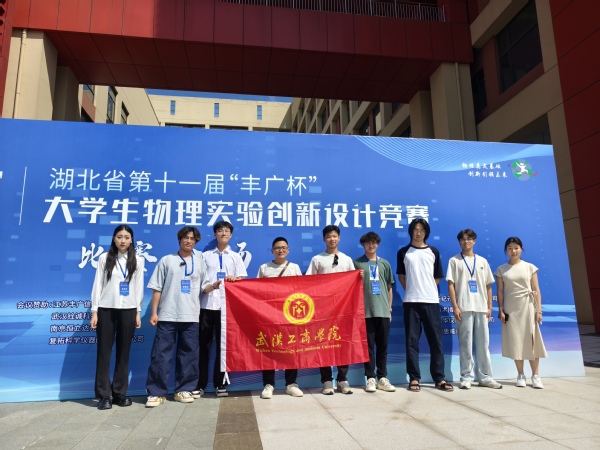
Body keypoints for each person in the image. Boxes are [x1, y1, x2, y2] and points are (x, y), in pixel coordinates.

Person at [145, 226, 219, 407]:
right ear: (179, 239)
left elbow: (204, 287)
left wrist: (214, 285)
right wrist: (154, 312)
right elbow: (157, 288)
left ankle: (183, 389)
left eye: (192, 239)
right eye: (186, 237)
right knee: (161, 355)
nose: (189, 241)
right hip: (168, 315)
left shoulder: (200, 262)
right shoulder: (167, 260)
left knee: (188, 355)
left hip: (191, 316)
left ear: (196, 241)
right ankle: (156, 392)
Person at [91, 225, 144, 410]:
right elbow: (98, 284)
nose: (123, 240)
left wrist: (138, 312)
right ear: (114, 239)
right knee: (104, 353)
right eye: (119, 236)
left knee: (124, 352)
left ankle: (119, 393)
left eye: (127, 237)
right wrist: (95, 311)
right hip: (106, 309)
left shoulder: (138, 260)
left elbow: (138, 287)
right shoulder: (105, 258)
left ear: (131, 240)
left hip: (128, 309)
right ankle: (104, 395)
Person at [397, 218, 452, 392]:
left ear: (426, 232)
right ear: (411, 232)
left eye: (422, 230)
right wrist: (412, 289)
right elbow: (401, 276)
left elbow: (438, 276)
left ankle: (439, 378)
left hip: (431, 302)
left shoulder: (433, 251)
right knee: (412, 342)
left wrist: (427, 289)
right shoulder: (404, 252)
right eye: (415, 230)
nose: (418, 233)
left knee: (436, 341)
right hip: (411, 303)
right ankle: (414, 378)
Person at [194, 221, 247, 398]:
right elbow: (199, 280)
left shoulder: (235, 257)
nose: (223, 233)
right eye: (220, 230)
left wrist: (234, 279)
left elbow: (242, 280)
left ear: (231, 235)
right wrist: (211, 286)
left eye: (226, 231)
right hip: (206, 305)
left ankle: (220, 383)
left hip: (227, 308)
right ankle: (200, 384)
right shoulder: (205, 256)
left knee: (223, 347)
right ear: (215, 234)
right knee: (203, 346)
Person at [446, 229, 502, 390]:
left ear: (474, 241)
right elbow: (451, 285)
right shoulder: (454, 261)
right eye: (463, 239)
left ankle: (485, 377)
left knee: (483, 344)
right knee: (466, 344)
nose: (466, 242)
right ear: (459, 242)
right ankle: (466, 377)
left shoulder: (482, 261)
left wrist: (490, 306)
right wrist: (455, 306)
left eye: (469, 239)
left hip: (481, 308)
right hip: (464, 307)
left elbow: (488, 286)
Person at [306, 224, 356, 395]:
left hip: (343, 309)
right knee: (323, 343)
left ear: (339, 238)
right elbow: (309, 283)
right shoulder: (317, 259)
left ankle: (342, 379)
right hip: (323, 310)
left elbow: (354, 283)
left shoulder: (347, 259)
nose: (332, 239)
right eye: (328, 236)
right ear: (324, 239)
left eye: (334, 236)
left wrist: (359, 276)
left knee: (343, 343)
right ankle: (327, 381)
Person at [494, 237, 547, 389]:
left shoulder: (530, 267)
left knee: (532, 340)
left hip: (528, 306)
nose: (513, 251)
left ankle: (536, 376)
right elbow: (500, 291)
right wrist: (501, 310)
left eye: (516, 248)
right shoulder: (501, 270)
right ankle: (520, 375)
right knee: (516, 341)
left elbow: (536, 290)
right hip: (511, 308)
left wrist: (539, 310)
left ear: (521, 249)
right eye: (510, 248)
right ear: (506, 250)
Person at [257, 237, 304, 399]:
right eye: (277, 248)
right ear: (272, 251)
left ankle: (291, 384)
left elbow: (301, 290)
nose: (281, 250)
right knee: (269, 349)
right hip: (269, 315)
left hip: (290, 316)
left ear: (288, 250)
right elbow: (257, 291)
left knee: (291, 349)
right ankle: (268, 384)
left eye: (284, 247)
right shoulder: (264, 268)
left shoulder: (295, 267)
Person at [353, 231, 396, 393]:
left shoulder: (384, 264)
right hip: (365, 312)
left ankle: (382, 378)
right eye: (368, 242)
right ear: (363, 244)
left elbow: (389, 288)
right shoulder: (357, 263)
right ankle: (370, 378)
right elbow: (351, 288)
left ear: (378, 244)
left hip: (383, 312)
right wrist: (356, 276)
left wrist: (389, 309)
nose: (371, 245)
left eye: (374, 242)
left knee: (383, 347)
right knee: (368, 348)